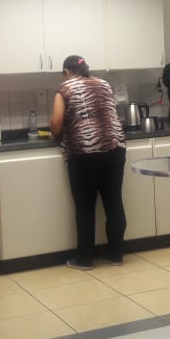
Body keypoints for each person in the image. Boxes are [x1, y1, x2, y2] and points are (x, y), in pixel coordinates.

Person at [49, 55, 127, 270]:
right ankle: (115, 254)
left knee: (84, 206)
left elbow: (56, 125)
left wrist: (56, 131)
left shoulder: (65, 88)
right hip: (115, 148)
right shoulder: (104, 83)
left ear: (67, 72)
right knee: (114, 201)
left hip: (85, 151)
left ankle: (84, 258)